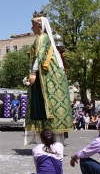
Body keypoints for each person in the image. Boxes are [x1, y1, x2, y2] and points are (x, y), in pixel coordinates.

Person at [25, 11, 72, 144]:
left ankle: (47, 140)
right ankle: (50, 139)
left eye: (33, 25)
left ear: (39, 25)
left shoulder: (42, 38)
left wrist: (33, 73)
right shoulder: (45, 38)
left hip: (44, 74)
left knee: (44, 105)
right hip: (48, 73)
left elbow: (39, 57)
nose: (31, 28)